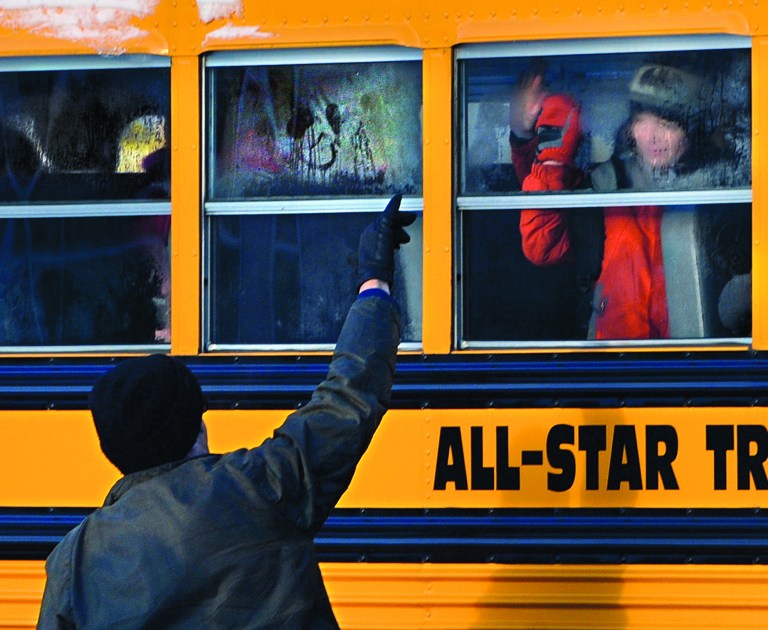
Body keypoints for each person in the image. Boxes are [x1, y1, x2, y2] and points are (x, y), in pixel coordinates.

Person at [37, 194, 416, 629]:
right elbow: (348, 396)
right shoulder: (259, 487)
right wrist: (374, 283)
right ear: (196, 426)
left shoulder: (73, 562)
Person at [515, 62, 747, 340]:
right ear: (630, 126)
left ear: (693, 129)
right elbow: (543, 247)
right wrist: (551, 155)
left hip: (699, 361)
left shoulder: (727, 185)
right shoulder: (606, 185)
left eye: (667, 123)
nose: (652, 136)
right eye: (641, 121)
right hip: (613, 361)